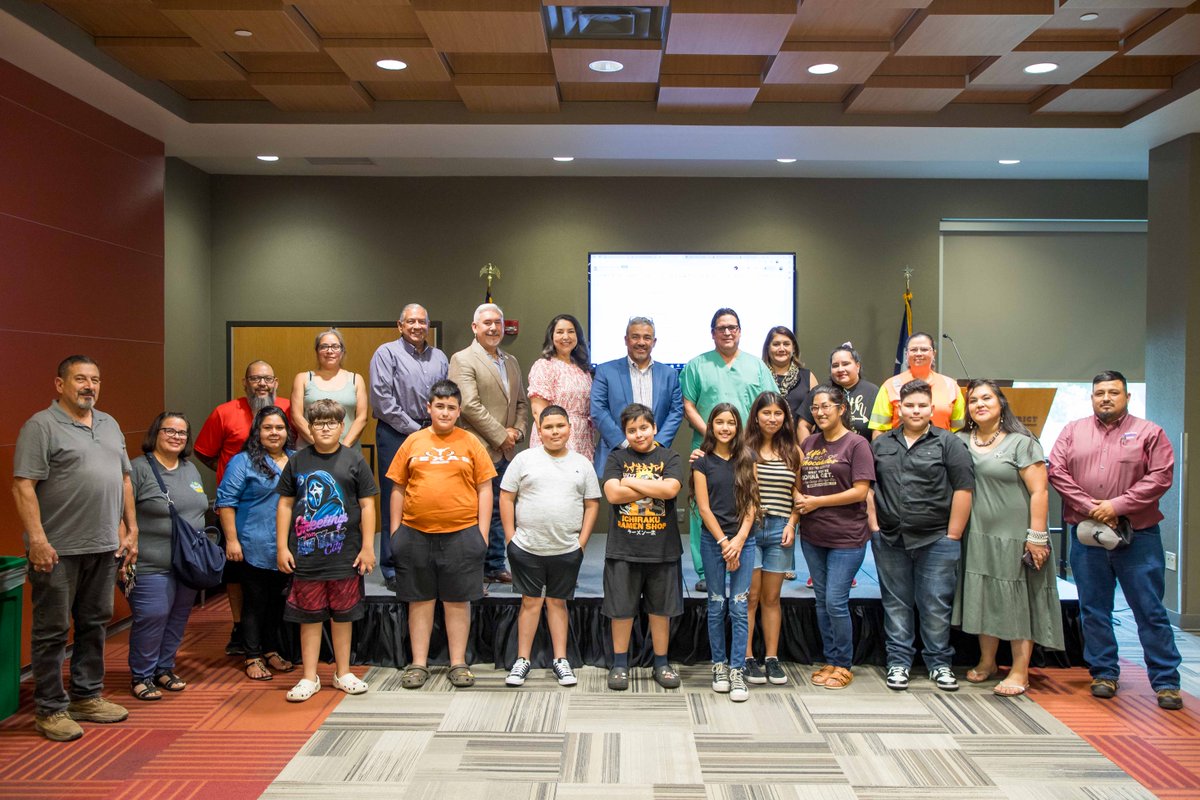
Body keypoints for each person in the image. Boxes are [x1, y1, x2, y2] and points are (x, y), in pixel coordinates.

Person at [13, 356, 136, 741]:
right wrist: (37, 539)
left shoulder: (109, 423)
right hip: (57, 548)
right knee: (52, 631)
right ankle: (50, 709)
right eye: (80, 379)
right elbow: (23, 486)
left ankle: (86, 696)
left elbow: (122, 479)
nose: (89, 386)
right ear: (59, 384)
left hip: (103, 546)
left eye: (95, 380)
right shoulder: (41, 426)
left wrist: (129, 529)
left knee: (94, 623)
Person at [1047, 370, 1182, 711]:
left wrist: (1116, 506)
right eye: (1099, 393)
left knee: (1149, 611)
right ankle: (1104, 673)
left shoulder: (1150, 433)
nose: (1105, 398)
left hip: (1137, 536)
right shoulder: (1072, 431)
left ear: (1126, 397)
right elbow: (1058, 472)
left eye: (1113, 392)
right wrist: (1091, 506)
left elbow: (1161, 476)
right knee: (1094, 609)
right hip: (1087, 535)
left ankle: (1166, 681)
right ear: (1092, 397)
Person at [954, 379, 1064, 697]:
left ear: (1001, 403)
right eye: (973, 400)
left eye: (986, 398)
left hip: (1015, 537)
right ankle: (988, 661)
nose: (979, 404)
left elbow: (1040, 491)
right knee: (985, 596)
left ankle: (1019, 669)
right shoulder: (960, 440)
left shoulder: (1022, 442)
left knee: (1015, 600)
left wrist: (1037, 536)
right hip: (976, 535)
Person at [387, 379, 496, 690]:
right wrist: (396, 532)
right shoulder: (413, 442)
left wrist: (482, 534)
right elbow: (397, 487)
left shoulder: (471, 443)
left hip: (462, 534)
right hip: (415, 534)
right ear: (429, 408)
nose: (445, 412)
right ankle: (418, 663)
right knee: (419, 601)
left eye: (451, 407)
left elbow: (485, 488)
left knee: (457, 601)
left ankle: (458, 663)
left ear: (458, 411)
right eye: (439, 406)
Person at [871, 379, 974, 692]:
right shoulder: (881, 444)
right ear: (899, 409)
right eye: (909, 405)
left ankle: (939, 664)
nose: (915, 411)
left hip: (936, 539)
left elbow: (964, 489)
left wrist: (953, 535)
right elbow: (869, 488)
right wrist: (874, 526)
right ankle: (899, 663)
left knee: (934, 605)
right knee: (896, 603)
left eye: (921, 406)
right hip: (890, 538)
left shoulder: (949, 443)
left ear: (932, 409)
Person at [276, 399, 379, 702]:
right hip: (306, 555)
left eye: (331, 423)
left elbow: (367, 504)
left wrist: (368, 547)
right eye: (318, 423)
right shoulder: (297, 461)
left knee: (343, 616)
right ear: (308, 427)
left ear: (342, 426)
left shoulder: (354, 460)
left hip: (345, 554)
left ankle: (343, 672)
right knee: (308, 617)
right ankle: (309, 677)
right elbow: (284, 504)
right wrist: (282, 546)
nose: (324, 428)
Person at [194, 359, 291, 656]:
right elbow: (206, 453)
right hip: (243, 521)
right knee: (243, 586)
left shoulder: (288, 408)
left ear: (275, 383)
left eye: (267, 379)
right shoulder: (225, 414)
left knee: (275, 593)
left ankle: (271, 648)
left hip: (279, 531)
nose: (262, 384)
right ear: (245, 382)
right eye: (255, 379)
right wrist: (237, 474)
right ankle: (243, 639)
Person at [500, 405, 601, 687]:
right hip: (527, 547)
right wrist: (511, 540)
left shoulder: (582, 463)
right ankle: (522, 660)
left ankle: (561, 660)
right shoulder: (524, 459)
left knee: (558, 602)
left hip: (566, 549)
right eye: (548, 427)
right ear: (539, 431)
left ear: (570, 428)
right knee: (530, 602)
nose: (555, 432)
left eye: (560, 426)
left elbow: (592, 504)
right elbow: (506, 498)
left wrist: (581, 544)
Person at [681, 309, 776, 591]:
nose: (727, 332)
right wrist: (714, 435)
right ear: (713, 333)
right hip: (708, 448)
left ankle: (744, 561)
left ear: (740, 331)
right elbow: (689, 406)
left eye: (732, 327)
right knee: (704, 509)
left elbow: (766, 406)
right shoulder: (697, 365)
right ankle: (705, 570)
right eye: (721, 328)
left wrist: (745, 441)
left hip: (746, 449)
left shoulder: (756, 366)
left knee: (746, 505)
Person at [602, 403, 686, 691]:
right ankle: (620, 664)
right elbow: (612, 495)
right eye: (632, 430)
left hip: (662, 550)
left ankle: (661, 663)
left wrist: (629, 481)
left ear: (654, 428)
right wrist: (651, 484)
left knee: (660, 611)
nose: (639, 435)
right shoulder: (616, 456)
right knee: (621, 610)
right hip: (623, 549)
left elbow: (671, 489)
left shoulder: (670, 455)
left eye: (644, 428)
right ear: (625, 432)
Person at [795, 385, 874, 690]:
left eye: (827, 406)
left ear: (841, 408)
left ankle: (843, 664)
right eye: (815, 407)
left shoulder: (856, 444)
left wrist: (816, 502)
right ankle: (830, 659)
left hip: (847, 536)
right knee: (821, 600)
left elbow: (860, 491)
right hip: (813, 535)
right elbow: (796, 478)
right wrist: (801, 499)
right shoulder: (809, 442)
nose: (820, 412)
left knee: (836, 601)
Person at [127, 412, 210, 701]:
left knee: (177, 617)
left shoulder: (190, 469)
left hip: (187, 562)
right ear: (156, 433)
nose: (176, 437)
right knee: (152, 616)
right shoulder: (138, 469)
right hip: (151, 562)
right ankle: (142, 675)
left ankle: (164, 668)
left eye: (182, 433)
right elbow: (120, 513)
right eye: (169, 431)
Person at [448, 303, 530, 584]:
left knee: (499, 509)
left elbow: (521, 403)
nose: (493, 328)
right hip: (478, 448)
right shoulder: (463, 359)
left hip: (507, 451)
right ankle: (472, 568)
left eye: (498, 322)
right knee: (474, 511)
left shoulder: (511, 361)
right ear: (475, 327)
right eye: (487, 323)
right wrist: (501, 435)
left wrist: (517, 433)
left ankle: (494, 565)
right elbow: (469, 405)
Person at [369, 303, 448, 590]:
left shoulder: (439, 357)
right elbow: (382, 400)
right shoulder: (386, 353)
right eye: (411, 321)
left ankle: (422, 562)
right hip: (396, 433)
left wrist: (435, 428)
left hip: (433, 432)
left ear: (428, 326)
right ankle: (391, 566)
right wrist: (418, 432)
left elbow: (444, 396)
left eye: (422, 322)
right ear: (400, 325)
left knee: (428, 496)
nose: (417, 326)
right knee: (395, 498)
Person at [216, 406, 296, 682]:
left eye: (279, 428)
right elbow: (225, 502)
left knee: (277, 601)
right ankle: (251, 656)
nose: (274, 433)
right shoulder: (243, 462)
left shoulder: (297, 459)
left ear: (288, 431)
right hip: (253, 543)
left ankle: (271, 650)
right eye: (268, 428)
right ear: (257, 432)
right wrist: (232, 541)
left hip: (287, 546)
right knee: (254, 602)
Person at [691, 404, 756, 702]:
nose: (725, 428)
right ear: (711, 425)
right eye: (720, 422)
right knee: (716, 605)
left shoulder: (747, 458)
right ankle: (719, 666)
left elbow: (752, 503)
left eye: (731, 422)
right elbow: (704, 508)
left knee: (739, 606)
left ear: (738, 426)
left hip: (744, 541)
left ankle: (737, 670)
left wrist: (740, 539)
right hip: (713, 542)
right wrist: (723, 543)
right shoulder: (701, 463)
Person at [742, 391, 801, 687]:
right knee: (750, 597)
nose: (772, 418)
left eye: (778, 413)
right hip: (751, 528)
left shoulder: (793, 451)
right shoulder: (744, 448)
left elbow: (798, 496)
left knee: (772, 597)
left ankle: (772, 658)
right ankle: (748, 657)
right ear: (756, 416)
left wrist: (792, 523)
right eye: (766, 413)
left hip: (780, 529)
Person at [590, 316, 683, 475]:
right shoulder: (606, 371)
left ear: (654, 342)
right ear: (626, 340)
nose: (641, 342)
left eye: (647, 337)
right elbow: (598, 410)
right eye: (635, 337)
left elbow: (676, 411)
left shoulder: (670, 374)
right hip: (616, 454)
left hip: (657, 459)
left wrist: (657, 444)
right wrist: (626, 443)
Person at [869, 332, 965, 438]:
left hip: (942, 449)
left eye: (924, 349)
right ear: (906, 354)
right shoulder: (890, 385)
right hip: (901, 450)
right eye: (914, 350)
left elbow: (959, 431)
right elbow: (879, 430)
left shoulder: (951, 385)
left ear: (934, 353)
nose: (918, 353)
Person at [527, 314, 595, 460]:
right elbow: (539, 411)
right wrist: (555, 435)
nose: (566, 336)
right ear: (551, 336)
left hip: (582, 437)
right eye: (560, 332)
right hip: (555, 436)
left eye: (571, 331)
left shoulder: (583, 368)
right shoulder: (544, 365)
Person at [290, 329, 368, 453]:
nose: (329, 351)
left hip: (347, 451)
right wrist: (320, 446)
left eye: (335, 346)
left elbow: (362, 418)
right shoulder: (303, 378)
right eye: (324, 346)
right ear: (317, 351)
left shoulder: (356, 379)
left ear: (342, 351)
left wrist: (342, 449)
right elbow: (296, 417)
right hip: (309, 450)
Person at [762, 325, 817, 440]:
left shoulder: (807, 376)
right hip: (764, 444)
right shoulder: (760, 376)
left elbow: (817, 412)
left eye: (786, 344)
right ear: (768, 348)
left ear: (794, 348)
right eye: (776, 344)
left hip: (799, 445)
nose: (781, 349)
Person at [828, 344, 879, 441]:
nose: (840, 369)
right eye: (835, 365)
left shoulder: (873, 391)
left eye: (845, 364)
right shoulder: (822, 392)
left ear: (858, 366)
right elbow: (803, 425)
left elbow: (878, 430)